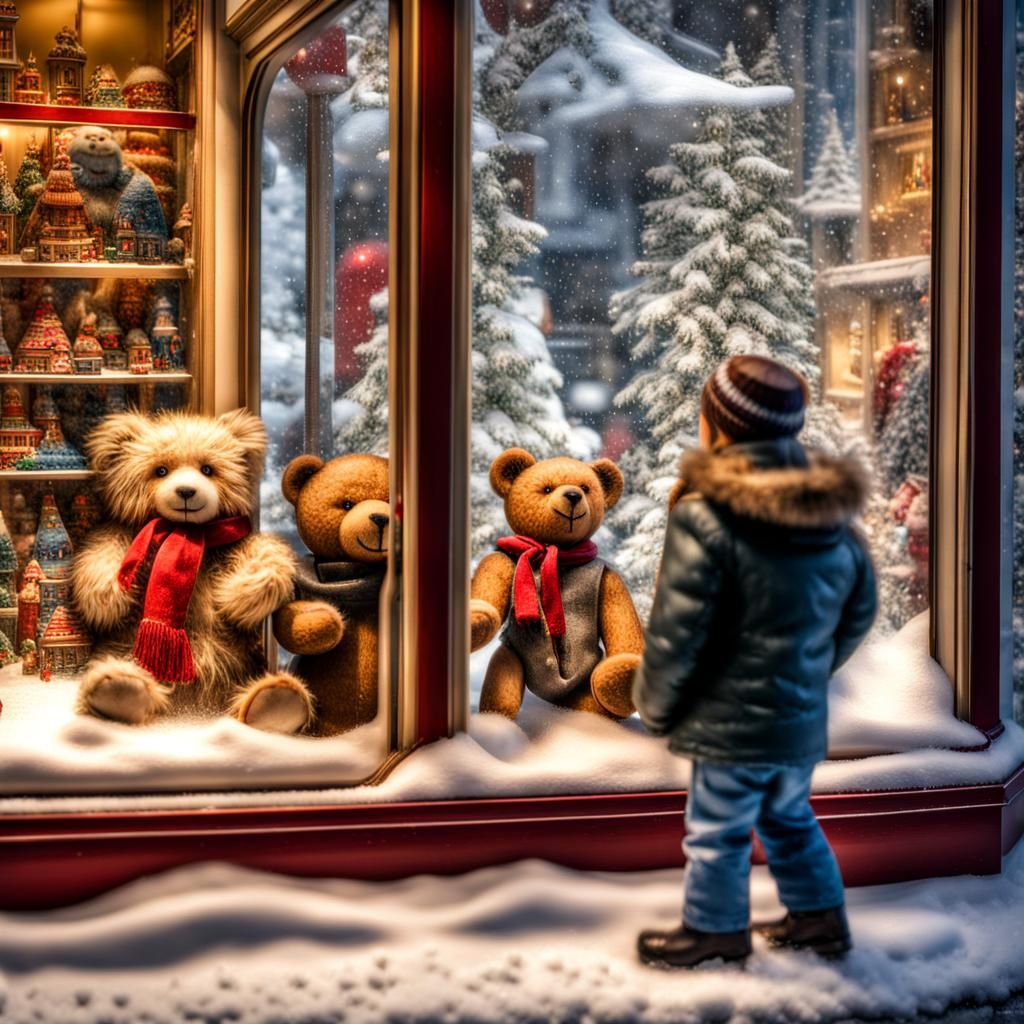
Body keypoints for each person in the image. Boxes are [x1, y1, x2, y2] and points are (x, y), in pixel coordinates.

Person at [633, 355, 877, 969]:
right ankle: (820, 919)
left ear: (719, 428)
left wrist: (655, 705)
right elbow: (857, 613)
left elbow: (677, 630)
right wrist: (806, 672)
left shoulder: (706, 514)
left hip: (729, 719)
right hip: (796, 719)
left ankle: (714, 931)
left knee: (716, 831)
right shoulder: (833, 517)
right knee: (789, 816)